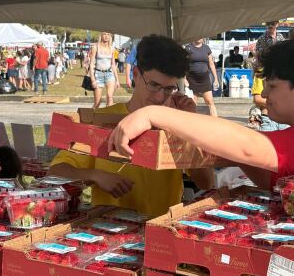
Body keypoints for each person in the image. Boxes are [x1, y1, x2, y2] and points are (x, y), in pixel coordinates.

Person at [108, 39, 294, 192]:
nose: (264, 93)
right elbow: (265, 174)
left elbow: (247, 145)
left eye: (273, 86)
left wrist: (153, 113)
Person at [50, 34, 213, 217]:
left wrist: (190, 125)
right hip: (110, 231)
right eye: (153, 85)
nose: (160, 97)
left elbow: (207, 183)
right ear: (135, 75)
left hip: (160, 232)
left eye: (168, 89)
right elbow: (56, 171)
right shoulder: (103, 120)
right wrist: (95, 175)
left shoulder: (176, 124)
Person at [185, 38, 219, 117]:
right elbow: (184, 64)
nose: (200, 38)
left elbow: (211, 64)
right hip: (192, 79)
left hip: (205, 79)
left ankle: (216, 122)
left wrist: (216, 79)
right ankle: (192, 123)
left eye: (202, 36)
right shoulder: (188, 48)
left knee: (210, 102)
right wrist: (184, 78)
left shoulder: (206, 48)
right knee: (192, 103)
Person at [89, 32, 118, 108]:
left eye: (108, 34)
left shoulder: (112, 48)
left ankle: (108, 117)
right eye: (104, 34)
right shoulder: (95, 47)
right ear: (101, 36)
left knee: (110, 97)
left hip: (109, 74)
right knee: (97, 101)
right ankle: (92, 117)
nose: (106, 36)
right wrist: (93, 79)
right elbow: (91, 64)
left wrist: (117, 80)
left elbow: (113, 65)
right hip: (98, 75)